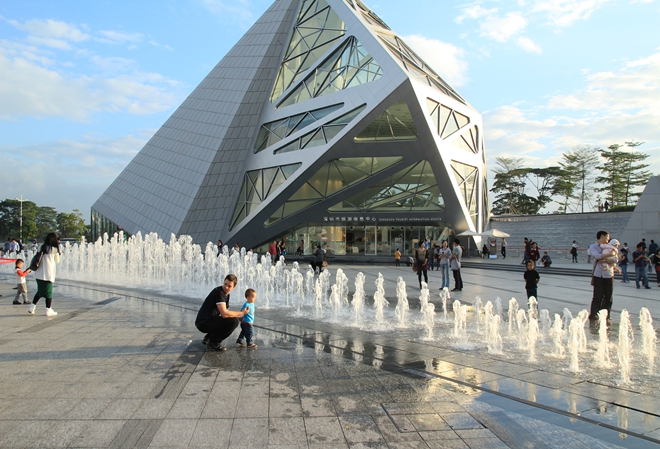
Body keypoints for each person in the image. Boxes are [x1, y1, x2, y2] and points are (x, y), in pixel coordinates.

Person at [195, 274, 249, 351]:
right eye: (225, 284)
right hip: (203, 323)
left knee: (233, 319)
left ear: (234, 287)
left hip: (207, 321)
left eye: (229, 286)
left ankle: (209, 337)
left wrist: (239, 317)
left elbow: (227, 312)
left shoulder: (226, 294)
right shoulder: (219, 292)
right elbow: (224, 314)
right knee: (234, 322)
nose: (226, 287)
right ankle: (214, 342)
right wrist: (241, 313)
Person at [28, 232, 61, 316]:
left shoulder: (42, 247)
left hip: (39, 273)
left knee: (40, 291)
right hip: (48, 274)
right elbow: (57, 261)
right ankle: (48, 309)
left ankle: (32, 307)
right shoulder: (54, 249)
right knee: (49, 292)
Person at [588, 230, 615, 321]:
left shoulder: (611, 246)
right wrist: (610, 255)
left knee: (608, 297)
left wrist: (607, 260)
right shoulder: (593, 247)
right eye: (607, 237)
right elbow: (597, 256)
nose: (608, 240)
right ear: (602, 236)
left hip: (609, 275)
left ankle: (606, 316)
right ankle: (594, 315)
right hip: (598, 275)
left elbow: (616, 259)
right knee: (597, 297)